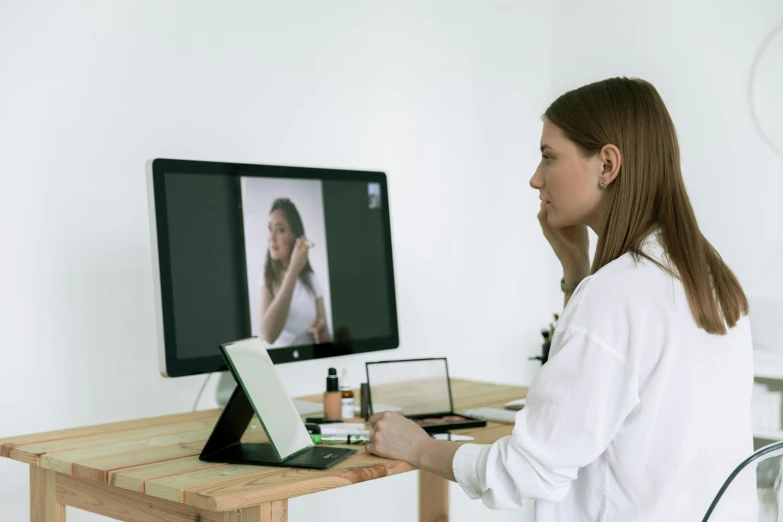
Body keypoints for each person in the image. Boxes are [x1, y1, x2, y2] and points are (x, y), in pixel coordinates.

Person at [366, 77, 755, 521]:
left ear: (607, 165)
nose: (535, 179)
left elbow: (527, 471)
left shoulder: (616, 294)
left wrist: (419, 447)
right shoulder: (710, 281)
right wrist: (576, 271)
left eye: (549, 157)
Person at [259, 198, 332, 348]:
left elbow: (327, 340)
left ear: (295, 238)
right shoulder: (267, 277)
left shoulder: (311, 279)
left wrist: (323, 336)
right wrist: (293, 269)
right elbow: (268, 335)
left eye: (280, 230)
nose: (272, 237)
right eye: (269, 228)